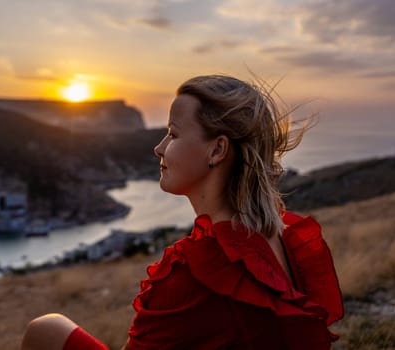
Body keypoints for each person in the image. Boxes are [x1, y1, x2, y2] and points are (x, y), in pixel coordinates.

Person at [20, 74, 344, 350]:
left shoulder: (195, 270)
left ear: (217, 150)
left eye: (173, 134)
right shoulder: (285, 235)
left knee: (45, 330)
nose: (158, 147)